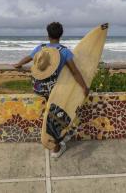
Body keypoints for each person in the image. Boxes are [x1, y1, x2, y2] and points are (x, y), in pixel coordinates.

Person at [13, 22, 88, 158]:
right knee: (57, 118)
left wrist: (19, 63)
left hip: (38, 89)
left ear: (48, 35)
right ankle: (56, 148)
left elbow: (29, 58)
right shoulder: (64, 51)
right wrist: (84, 87)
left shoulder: (41, 48)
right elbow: (75, 72)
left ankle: (56, 142)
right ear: (61, 35)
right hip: (54, 92)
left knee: (52, 115)